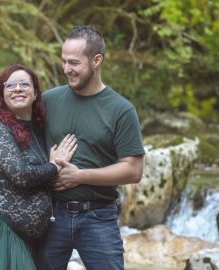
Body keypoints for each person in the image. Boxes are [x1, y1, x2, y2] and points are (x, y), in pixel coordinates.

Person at [39, 25, 145, 270]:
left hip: (98, 217)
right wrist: (49, 165)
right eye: (64, 61)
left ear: (97, 60)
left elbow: (133, 170)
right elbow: (24, 146)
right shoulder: (48, 101)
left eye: (74, 62)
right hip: (50, 215)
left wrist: (79, 176)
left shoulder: (121, 110)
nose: (66, 69)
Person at [0, 64, 77, 270]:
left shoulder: (38, 130)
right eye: (10, 85)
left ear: (35, 93)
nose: (17, 89)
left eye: (24, 84)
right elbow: (21, 175)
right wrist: (54, 165)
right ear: (3, 94)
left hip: (31, 240)